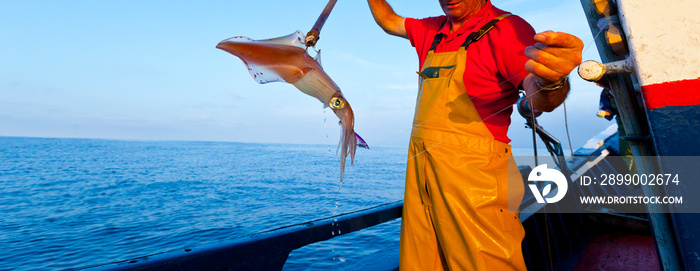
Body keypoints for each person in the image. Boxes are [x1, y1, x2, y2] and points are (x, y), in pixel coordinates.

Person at [366, 0, 583, 270]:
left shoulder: (507, 29)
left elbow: (539, 97)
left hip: (477, 179)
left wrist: (552, 81)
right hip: (422, 176)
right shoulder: (432, 29)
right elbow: (388, 20)